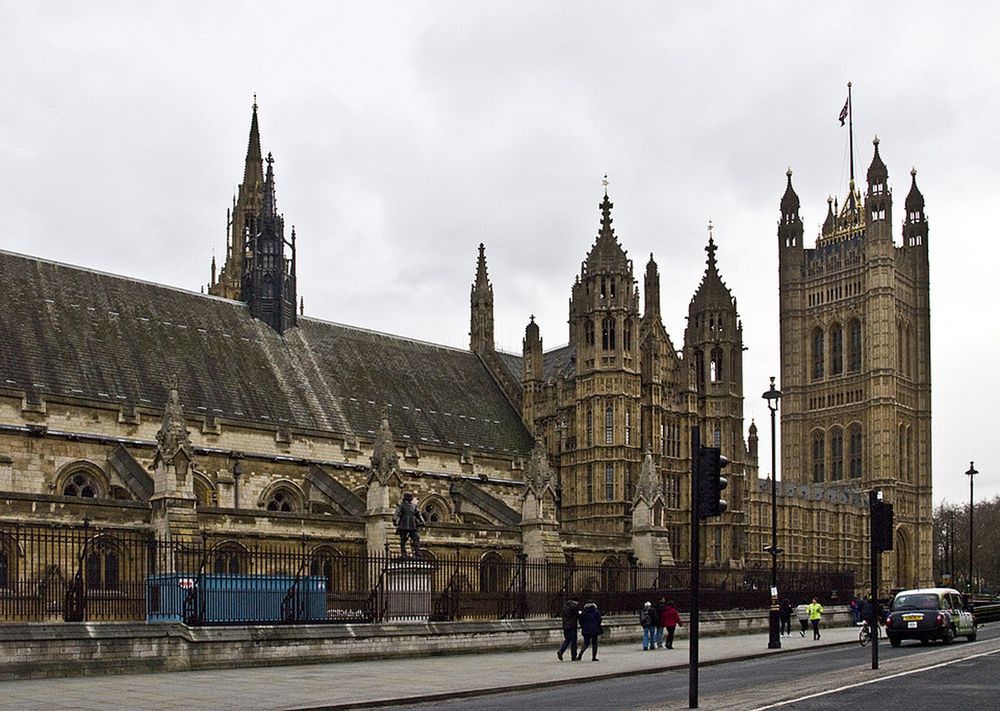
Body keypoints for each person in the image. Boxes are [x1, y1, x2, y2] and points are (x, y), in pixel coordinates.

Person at [392, 492, 425, 558]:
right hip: (404, 523)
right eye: (410, 497)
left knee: (416, 537)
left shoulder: (413, 506)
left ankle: (417, 551)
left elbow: (418, 514)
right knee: (403, 539)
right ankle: (403, 553)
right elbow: (397, 512)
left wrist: (422, 521)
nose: (411, 498)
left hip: (412, 524)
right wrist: (395, 519)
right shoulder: (401, 505)